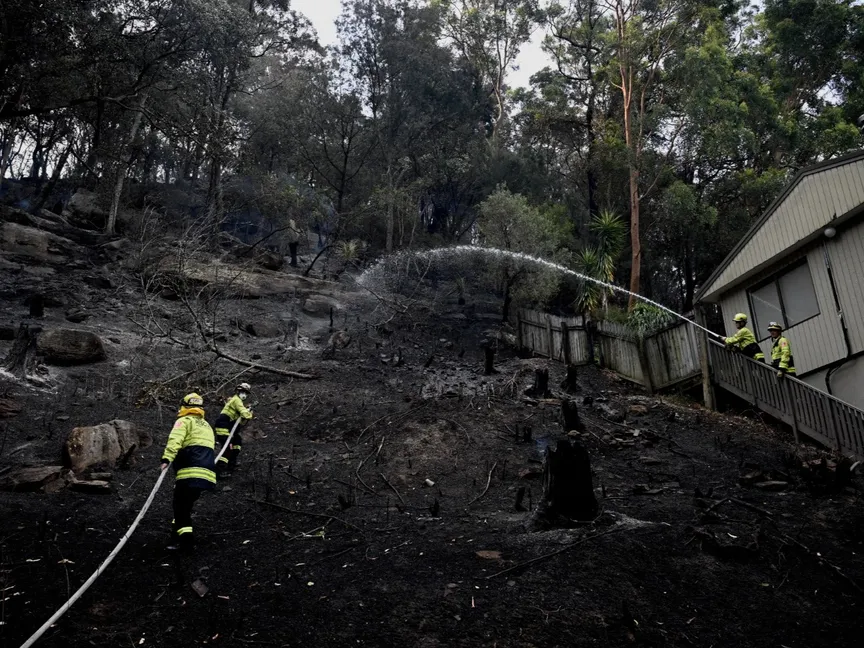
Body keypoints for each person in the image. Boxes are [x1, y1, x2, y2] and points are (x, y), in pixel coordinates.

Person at [161, 393, 216, 553]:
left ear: (184, 406)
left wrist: (166, 458)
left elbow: (175, 440)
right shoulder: (206, 426)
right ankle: (175, 536)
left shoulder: (183, 421)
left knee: (180, 507)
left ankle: (186, 543)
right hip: (206, 475)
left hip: (189, 473)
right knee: (183, 507)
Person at [213, 382, 254, 476]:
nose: (244, 394)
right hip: (223, 425)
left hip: (230, 427)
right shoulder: (236, 400)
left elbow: (241, 422)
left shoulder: (239, 403)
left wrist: (247, 413)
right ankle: (218, 470)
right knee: (228, 448)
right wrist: (249, 413)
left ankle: (231, 463)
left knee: (237, 442)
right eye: (242, 391)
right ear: (238, 391)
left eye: (246, 393)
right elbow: (245, 415)